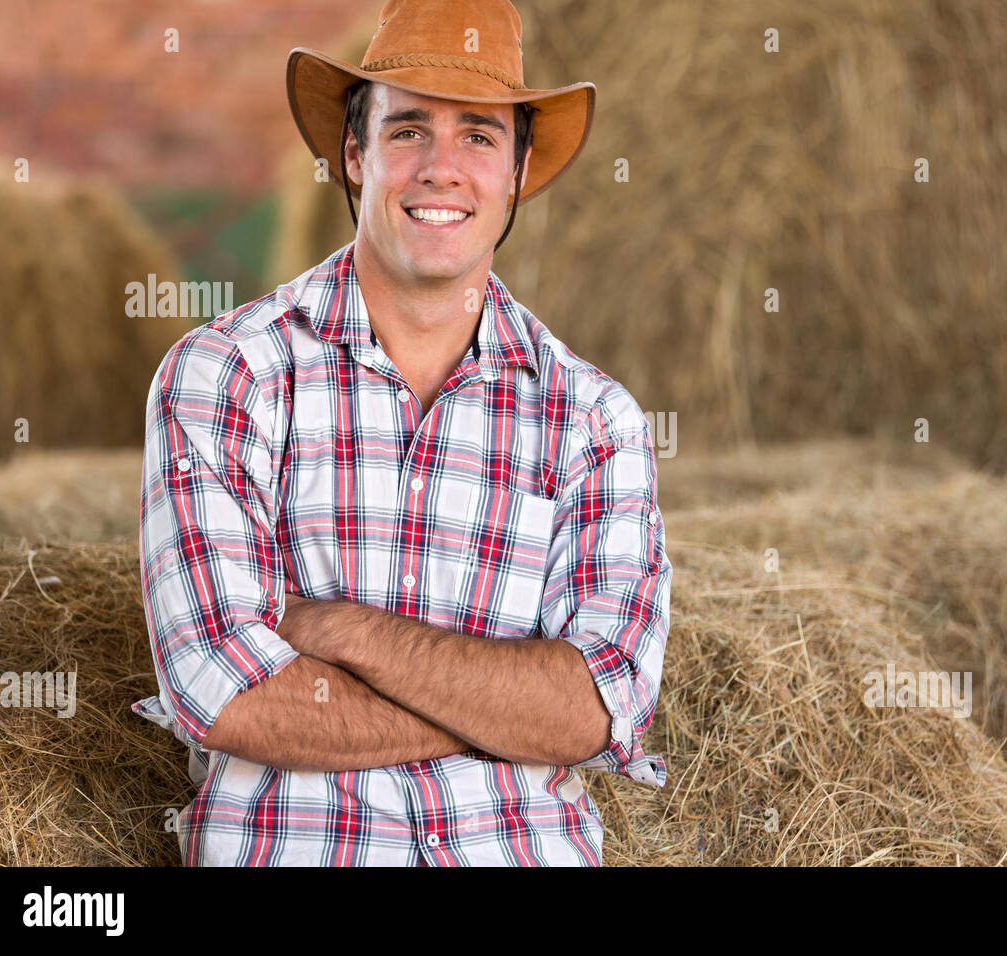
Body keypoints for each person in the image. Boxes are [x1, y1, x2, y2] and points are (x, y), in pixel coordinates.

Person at [132, 0, 671, 866]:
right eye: (409, 129)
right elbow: (221, 691)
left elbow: (600, 708)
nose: (441, 169)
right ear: (356, 153)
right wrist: (506, 710)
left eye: (479, 137)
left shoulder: (595, 419)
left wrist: (344, 631)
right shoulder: (225, 377)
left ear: (518, 171)